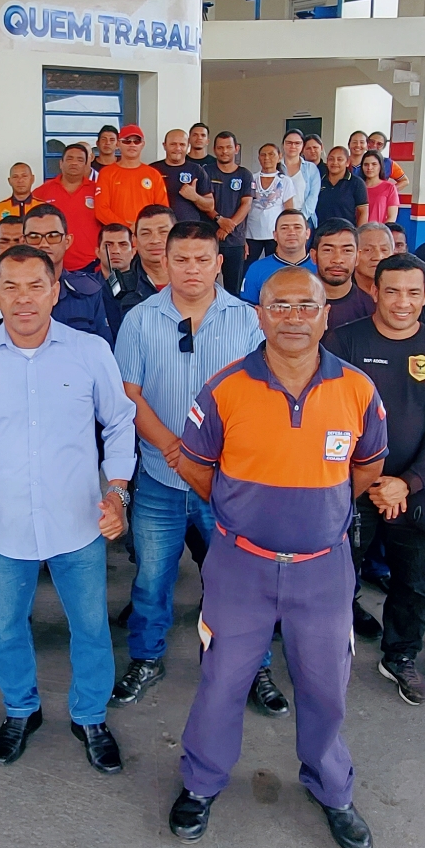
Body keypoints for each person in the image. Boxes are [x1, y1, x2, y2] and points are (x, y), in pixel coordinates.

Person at [165, 266, 387, 848]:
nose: (292, 317)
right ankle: (203, 782)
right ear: (259, 315)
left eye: (305, 306)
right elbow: (193, 465)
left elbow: (366, 468)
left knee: (326, 685)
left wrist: (319, 511)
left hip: (324, 568)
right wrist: (245, 512)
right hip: (241, 566)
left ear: (325, 314)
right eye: (279, 306)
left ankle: (330, 786)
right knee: (221, 680)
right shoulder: (224, 388)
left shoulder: (357, 389)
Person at [0, 245, 135, 772]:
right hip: (5, 528)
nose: (24, 298)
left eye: (35, 286)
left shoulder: (90, 351)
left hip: (79, 522)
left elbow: (119, 424)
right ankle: (21, 710)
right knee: (7, 628)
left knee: (90, 626)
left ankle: (90, 716)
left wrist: (116, 491)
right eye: (11, 287)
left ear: (55, 290)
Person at [112, 220, 274, 710]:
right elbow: (127, 393)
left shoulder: (247, 321)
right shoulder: (140, 320)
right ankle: (146, 657)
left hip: (227, 479)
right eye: (180, 259)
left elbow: (262, 397)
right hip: (162, 477)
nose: (191, 269)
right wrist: (170, 446)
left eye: (203, 259)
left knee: (239, 580)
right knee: (152, 578)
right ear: (164, 260)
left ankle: (254, 666)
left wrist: (209, 454)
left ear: (219, 263)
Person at [325, 253, 425, 706]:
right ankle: (328, 653)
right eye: (392, 291)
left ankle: (399, 656)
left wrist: (409, 481)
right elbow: (332, 418)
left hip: (413, 489)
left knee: (412, 582)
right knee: (339, 578)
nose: (402, 302)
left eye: (413, 292)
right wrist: (369, 479)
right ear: (375, 293)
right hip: (352, 487)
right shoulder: (342, 342)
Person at [22, 203, 114, 344]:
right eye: (34, 237)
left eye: (53, 236)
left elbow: (103, 351)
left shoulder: (89, 292)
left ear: (68, 241)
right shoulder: (7, 294)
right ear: (23, 242)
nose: (44, 244)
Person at [196, 129, 256, 298]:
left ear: (236, 149)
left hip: (235, 241)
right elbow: (202, 201)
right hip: (209, 240)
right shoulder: (206, 171)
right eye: (220, 148)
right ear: (214, 150)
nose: (224, 151)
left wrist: (228, 227)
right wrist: (218, 219)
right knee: (205, 288)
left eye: (228, 147)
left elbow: (246, 204)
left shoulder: (245, 174)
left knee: (233, 290)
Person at [33, 142, 103, 271]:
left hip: (91, 265)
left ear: (87, 165)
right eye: (69, 158)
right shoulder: (41, 192)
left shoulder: (98, 190)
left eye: (80, 159)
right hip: (49, 264)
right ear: (61, 163)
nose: (74, 163)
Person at [92, 124, 169, 234]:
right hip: (117, 237)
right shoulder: (106, 173)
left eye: (136, 141)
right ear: (118, 144)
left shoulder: (153, 174)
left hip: (146, 236)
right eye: (127, 141)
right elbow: (101, 210)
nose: (132, 144)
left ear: (142, 144)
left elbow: (162, 210)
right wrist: (126, 227)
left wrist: (142, 227)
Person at [240, 209, 315, 304]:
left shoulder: (320, 268)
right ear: (275, 235)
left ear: (307, 233)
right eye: (284, 228)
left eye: (297, 227)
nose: (291, 232)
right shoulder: (257, 269)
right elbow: (248, 309)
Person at [313, 218, 374, 328]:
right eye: (328, 250)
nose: (337, 259)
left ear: (357, 257)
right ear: (314, 256)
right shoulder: (295, 305)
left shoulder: (371, 308)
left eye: (347, 251)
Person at [246, 143, 295, 263]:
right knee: (247, 268)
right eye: (263, 155)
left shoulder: (285, 181)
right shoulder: (251, 178)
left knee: (275, 267)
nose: (267, 158)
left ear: (279, 157)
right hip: (251, 233)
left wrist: (285, 235)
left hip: (274, 234)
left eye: (271, 154)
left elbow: (289, 211)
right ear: (258, 158)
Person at [154, 128, 206, 224]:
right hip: (160, 228)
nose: (178, 148)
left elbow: (210, 206)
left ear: (188, 146)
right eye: (173, 144)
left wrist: (195, 197)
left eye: (182, 144)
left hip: (189, 229)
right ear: (164, 146)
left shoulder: (196, 170)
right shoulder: (153, 170)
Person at [315, 145, 368, 227]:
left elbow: (363, 212)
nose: (335, 162)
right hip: (321, 233)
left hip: (346, 233)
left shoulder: (356, 183)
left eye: (339, 159)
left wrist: (359, 235)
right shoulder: (319, 180)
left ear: (347, 162)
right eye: (331, 159)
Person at [0, 162, 40, 235]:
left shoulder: (43, 207)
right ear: (9, 181)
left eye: (24, 176)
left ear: (32, 179)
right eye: (15, 177)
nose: (20, 180)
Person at [352, 222, 395, 300]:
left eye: (384, 250)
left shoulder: (401, 291)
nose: (378, 257)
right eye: (368, 250)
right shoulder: (340, 290)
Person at [280, 132, 320, 216]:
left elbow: (313, 196)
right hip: (278, 217)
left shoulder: (311, 168)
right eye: (289, 143)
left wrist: (301, 218)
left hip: (305, 217)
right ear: (283, 144)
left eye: (297, 143)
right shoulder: (276, 166)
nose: (293, 146)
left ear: (302, 146)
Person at [361, 153, 402, 226]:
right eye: (366, 164)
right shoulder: (357, 186)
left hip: (380, 233)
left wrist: (381, 233)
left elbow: (392, 217)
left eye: (374, 164)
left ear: (380, 166)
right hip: (358, 233)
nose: (369, 168)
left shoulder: (389, 187)